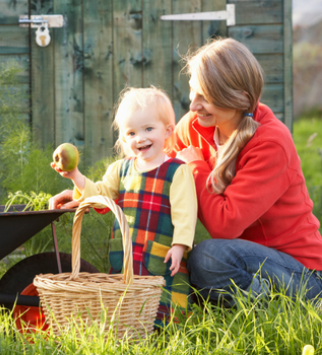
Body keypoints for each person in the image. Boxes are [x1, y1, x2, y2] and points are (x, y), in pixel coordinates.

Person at [170, 37, 322, 303]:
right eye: (193, 92)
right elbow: (153, 170)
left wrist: (194, 166)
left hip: (302, 274)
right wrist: (94, 191)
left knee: (208, 257)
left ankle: (273, 313)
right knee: (183, 260)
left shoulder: (271, 143)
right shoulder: (194, 125)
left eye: (204, 96)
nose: (193, 105)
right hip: (243, 261)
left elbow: (225, 225)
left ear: (238, 98)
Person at [50, 87, 197, 326]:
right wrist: (75, 175)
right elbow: (100, 198)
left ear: (168, 131)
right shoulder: (120, 169)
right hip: (127, 257)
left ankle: (167, 333)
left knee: (164, 310)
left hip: (161, 255)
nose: (140, 138)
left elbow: (185, 213)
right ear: (124, 138)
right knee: (126, 312)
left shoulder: (177, 171)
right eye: (131, 132)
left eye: (149, 129)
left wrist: (180, 245)